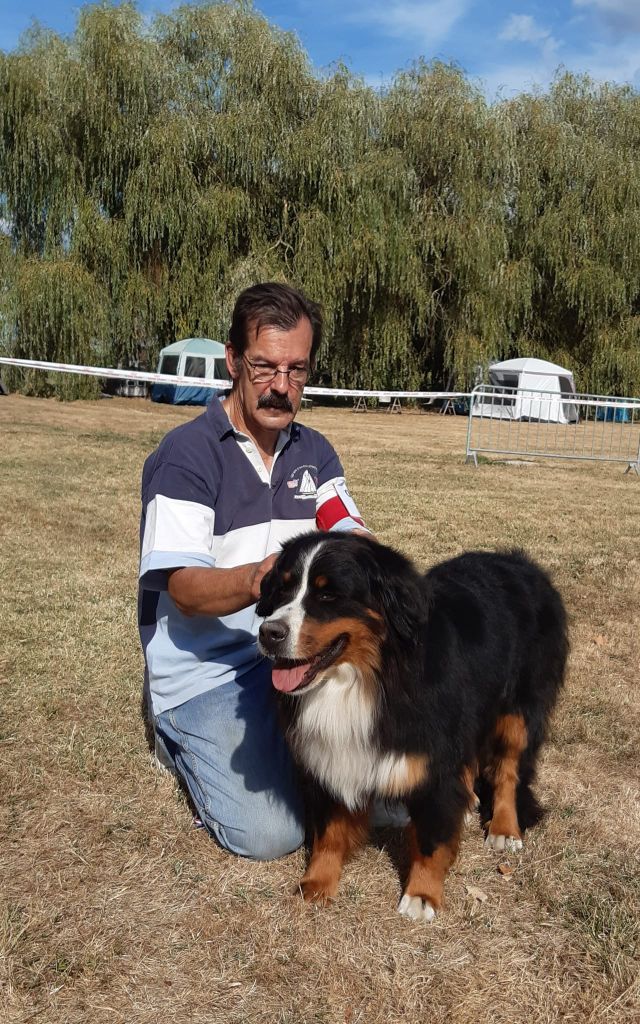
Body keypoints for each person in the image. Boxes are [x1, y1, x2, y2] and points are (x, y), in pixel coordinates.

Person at [138, 282, 370, 860]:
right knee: (273, 834)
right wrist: (257, 579)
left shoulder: (315, 453)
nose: (281, 386)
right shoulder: (187, 455)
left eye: (297, 370)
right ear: (233, 361)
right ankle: (175, 734)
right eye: (265, 366)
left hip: (291, 655)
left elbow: (347, 531)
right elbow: (184, 589)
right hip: (206, 673)